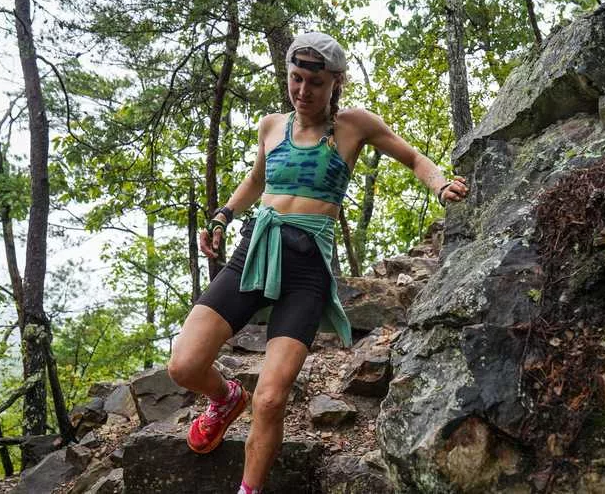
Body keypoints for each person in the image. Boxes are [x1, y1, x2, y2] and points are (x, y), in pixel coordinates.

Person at [167, 32, 468, 494]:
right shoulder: (272, 126)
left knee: (269, 399)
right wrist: (223, 216)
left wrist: (440, 184)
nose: (302, 91)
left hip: (306, 272)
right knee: (184, 366)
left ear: (335, 83)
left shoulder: (354, 125)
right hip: (254, 252)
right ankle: (225, 398)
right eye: (295, 79)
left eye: (315, 82)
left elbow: (411, 156)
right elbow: (254, 181)